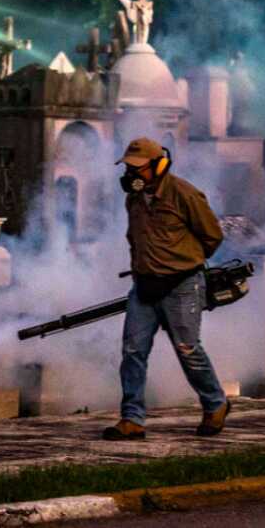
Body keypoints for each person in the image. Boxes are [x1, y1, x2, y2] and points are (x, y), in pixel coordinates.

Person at [104, 137, 229, 440]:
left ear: (159, 165)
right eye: (129, 169)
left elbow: (212, 236)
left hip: (181, 284)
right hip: (144, 285)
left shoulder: (183, 194)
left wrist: (184, 261)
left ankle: (215, 403)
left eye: (138, 168)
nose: (132, 174)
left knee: (188, 349)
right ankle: (132, 418)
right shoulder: (133, 198)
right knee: (133, 352)